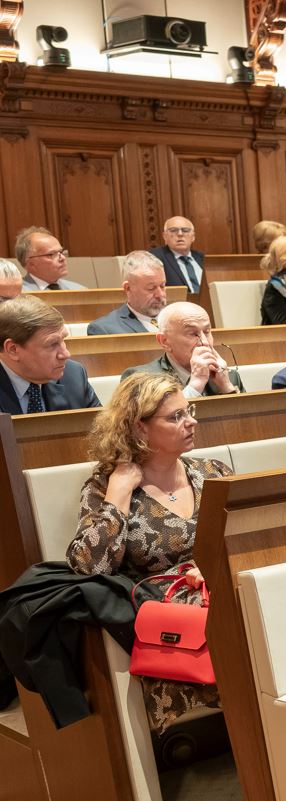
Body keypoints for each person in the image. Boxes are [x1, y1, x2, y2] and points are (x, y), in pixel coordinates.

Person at [67, 372, 230, 731]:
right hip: (167, 616)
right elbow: (89, 567)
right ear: (140, 428)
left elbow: (245, 537)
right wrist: (118, 495)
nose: (191, 422)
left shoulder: (212, 472)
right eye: (176, 417)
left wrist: (217, 568)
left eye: (190, 411)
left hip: (221, 593)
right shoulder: (104, 486)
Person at [0, 295, 101, 414]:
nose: (65, 354)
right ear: (13, 349)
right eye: (52, 344)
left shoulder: (73, 375)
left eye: (63, 339)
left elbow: (101, 430)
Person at [121, 302, 243, 397]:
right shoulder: (140, 379)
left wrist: (226, 387)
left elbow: (248, 426)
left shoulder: (229, 377)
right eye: (192, 334)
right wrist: (195, 386)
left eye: (207, 332)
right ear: (164, 341)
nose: (205, 342)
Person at [88, 251, 168, 335]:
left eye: (162, 286)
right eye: (151, 288)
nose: (160, 295)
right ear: (128, 288)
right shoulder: (104, 330)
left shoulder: (178, 319)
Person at [16, 227, 84, 291]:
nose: (62, 258)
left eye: (61, 252)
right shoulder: (17, 294)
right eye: (51, 254)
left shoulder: (79, 290)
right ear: (31, 264)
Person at [149, 216, 205, 294]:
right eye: (173, 230)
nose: (180, 234)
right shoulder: (153, 258)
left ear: (193, 237)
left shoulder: (202, 258)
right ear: (165, 236)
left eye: (185, 230)